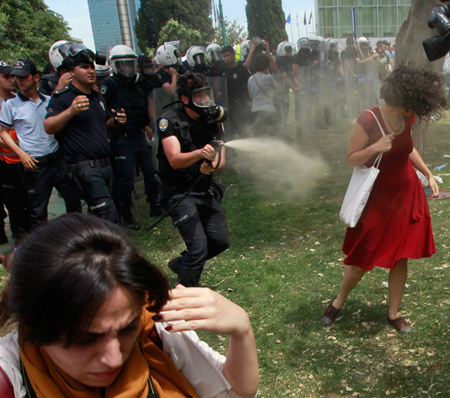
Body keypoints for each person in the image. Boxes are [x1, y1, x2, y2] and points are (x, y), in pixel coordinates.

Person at [0, 213, 259, 398]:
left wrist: (242, 331)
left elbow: (233, 392)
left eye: (126, 329)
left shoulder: (155, 327)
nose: (113, 359)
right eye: (83, 339)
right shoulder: (9, 379)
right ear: (31, 324)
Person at [322, 63, 446, 334]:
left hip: (407, 194)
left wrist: (427, 174)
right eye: (411, 104)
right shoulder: (368, 119)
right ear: (402, 98)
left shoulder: (408, 116)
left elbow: (408, 150)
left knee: (401, 256)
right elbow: (350, 159)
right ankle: (338, 301)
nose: (414, 112)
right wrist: (376, 147)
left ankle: (393, 313)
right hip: (377, 198)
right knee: (362, 258)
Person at [157, 72, 230, 287]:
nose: (205, 100)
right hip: (179, 192)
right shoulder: (168, 120)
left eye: (207, 94)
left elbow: (221, 161)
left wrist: (211, 165)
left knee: (220, 241)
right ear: (185, 99)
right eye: (199, 96)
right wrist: (200, 154)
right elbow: (174, 160)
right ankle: (183, 293)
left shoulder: (212, 119)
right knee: (198, 246)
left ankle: (182, 264)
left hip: (204, 189)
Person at [44, 43, 126, 225]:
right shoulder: (63, 97)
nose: (91, 71)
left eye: (91, 67)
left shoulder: (96, 96)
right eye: (84, 67)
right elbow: (48, 126)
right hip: (85, 169)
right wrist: (70, 111)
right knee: (107, 217)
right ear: (71, 71)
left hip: (105, 165)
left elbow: (105, 124)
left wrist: (117, 121)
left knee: (105, 215)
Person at [0, 59, 81, 229]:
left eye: (24, 77)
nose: (19, 81)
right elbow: (3, 133)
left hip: (57, 160)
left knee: (73, 201)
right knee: (38, 212)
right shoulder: (10, 104)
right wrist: (20, 153)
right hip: (35, 165)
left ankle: (76, 236)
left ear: (35, 77)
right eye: (16, 77)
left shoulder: (49, 100)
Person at [101, 45, 163, 230]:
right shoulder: (110, 85)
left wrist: (145, 125)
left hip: (139, 136)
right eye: (123, 65)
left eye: (130, 64)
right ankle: (126, 215)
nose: (126, 69)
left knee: (150, 173)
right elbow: (104, 111)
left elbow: (142, 105)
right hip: (121, 139)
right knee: (126, 180)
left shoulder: (139, 82)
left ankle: (155, 206)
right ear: (115, 65)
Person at [0, 61, 31, 241]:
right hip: (6, 163)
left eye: (14, 76)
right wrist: (19, 146)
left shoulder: (17, 100)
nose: (12, 80)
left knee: (30, 202)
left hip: (25, 161)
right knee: (14, 205)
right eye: (6, 76)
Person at [218, 46, 251, 139]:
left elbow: (249, 84)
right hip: (227, 105)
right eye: (224, 56)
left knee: (242, 129)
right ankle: (231, 152)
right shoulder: (222, 68)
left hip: (241, 104)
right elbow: (217, 83)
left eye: (228, 55)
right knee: (229, 130)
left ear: (233, 54)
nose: (226, 58)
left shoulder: (241, 68)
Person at [247, 53, 278, 136]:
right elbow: (276, 87)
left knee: (259, 135)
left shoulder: (250, 79)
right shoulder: (269, 77)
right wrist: (268, 72)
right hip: (269, 110)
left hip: (256, 110)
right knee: (271, 135)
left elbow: (251, 96)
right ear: (267, 66)